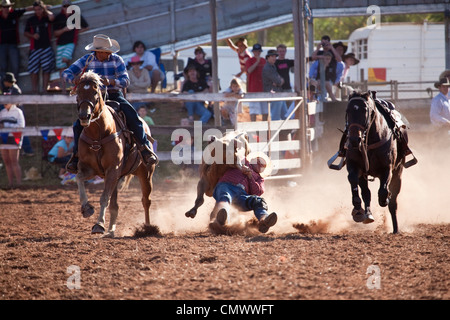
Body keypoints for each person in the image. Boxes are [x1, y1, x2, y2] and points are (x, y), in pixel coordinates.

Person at [62, 34, 158, 173]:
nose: (107, 54)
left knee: (132, 116)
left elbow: (125, 80)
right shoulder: (86, 60)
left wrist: (111, 82)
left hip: (113, 94)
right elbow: (66, 73)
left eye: (108, 52)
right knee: (78, 124)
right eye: (105, 52)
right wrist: (74, 79)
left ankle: (144, 149)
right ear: (98, 51)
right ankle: (76, 156)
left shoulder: (116, 60)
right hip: (93, 98)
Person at [211, 156, 277, 234]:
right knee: (225, 196)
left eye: (263, 165)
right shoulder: (242, 160)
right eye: (259, 161)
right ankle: (223, 219)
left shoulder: (259, 179)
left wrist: (250, 176)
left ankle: (264, 220)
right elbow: (231, 157)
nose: (260, 164)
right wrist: (239, 166)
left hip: (241, 195)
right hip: (226, 185)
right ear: (252, 159)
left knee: (258, 201)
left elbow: (257, 191)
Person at [53, 0, 89, 93]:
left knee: (65, 59)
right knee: (62, 66)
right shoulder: (58, 17)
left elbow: (86, 27)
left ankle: (73, 85)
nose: (66, 8)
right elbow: (55, 33)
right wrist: (64, 30)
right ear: (62, 7)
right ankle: (64, 89)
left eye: (68, 6)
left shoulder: (76, 16)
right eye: (65, 6)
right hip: (60, 44)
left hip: (71, 43)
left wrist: (75, 32)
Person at [24, 0, 55, 94]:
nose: (37, 11)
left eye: (39, 9)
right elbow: (25, 32)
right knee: (33, 70)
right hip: (35, 48)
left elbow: (52, 17)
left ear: (42, 8)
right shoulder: (31, 20)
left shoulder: (46, 18)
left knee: (46, 70)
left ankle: (44, 89)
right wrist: (33, 36)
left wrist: (45, 10)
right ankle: (34, 90)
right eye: (35, 9)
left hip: (46, 47)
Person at [1, 72, 34, 156]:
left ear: (8, 81)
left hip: (16, 114)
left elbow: (14, 102)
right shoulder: (11, 89)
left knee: (21, 132)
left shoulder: (14, 90)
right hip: (13, 113)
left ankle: (28, 149)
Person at [0, 0, 32, 80]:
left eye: (8, 7)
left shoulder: (14, 13)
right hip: (1, 45)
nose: (6, 9)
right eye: (4, 7)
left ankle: (14, 86)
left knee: (15, 66)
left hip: (13, 45)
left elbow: (26, 9)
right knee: (2, 66)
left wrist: (43, 7)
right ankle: (4, 87)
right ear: (1, 8)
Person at [0, 97, 25, 188]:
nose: (4, 104)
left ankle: (19, 183)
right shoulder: (2, 112)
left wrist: (7, 127)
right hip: (3, 138)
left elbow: (21, 125)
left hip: (14, 138)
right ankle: (10, 183)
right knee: (6, 161)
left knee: (14, 160)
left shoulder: (18, 112)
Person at [262, 49, 286, 121]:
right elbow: (278, 81)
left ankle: (286, 132)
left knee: (286, 115)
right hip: (273, 94)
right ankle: (274, 132)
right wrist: (279, 81)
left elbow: (279, 80)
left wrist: (279, 81)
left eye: (275, 56)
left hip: (277, 94)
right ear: (268, 57)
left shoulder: (273, 66)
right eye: (272, 56)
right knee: (276, 117)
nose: (274, 58)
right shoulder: (267, 68)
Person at [245, 43, 267, 121]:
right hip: (253, 89)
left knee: (265, 111)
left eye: (258, 51)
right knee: (253, 111)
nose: (257, 53)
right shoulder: (249, 61)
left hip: (263, 89)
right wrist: (257, 62)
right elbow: (249, 70)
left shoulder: (264, 61)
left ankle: (264, 129)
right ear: (253, 52)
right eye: (255, 51)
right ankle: (253, 128)